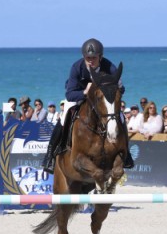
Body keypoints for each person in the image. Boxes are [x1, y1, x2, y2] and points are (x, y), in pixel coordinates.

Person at [42, 38, 133, 173]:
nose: (90, 60)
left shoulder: (110, 68)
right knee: (64, 115)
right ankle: (50, 155)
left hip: (101, 100)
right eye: (87, 57)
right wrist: (85, 92)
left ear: (100, 57)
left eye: (93, 57)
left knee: (120, 116)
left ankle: (127, 154)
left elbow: (121, 90)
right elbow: (70, 94)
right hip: (80, 96)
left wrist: (113, 89)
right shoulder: (77, 67)